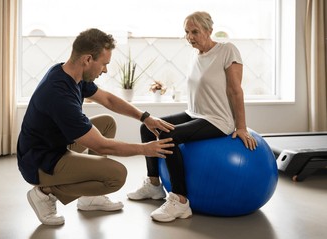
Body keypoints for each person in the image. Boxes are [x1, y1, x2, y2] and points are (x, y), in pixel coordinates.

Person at [17, 28, 175, 226]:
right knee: (116, 176)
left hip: (53, 144)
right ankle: (45, 193)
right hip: (39, 161)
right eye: (104, 64)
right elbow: (102, 146)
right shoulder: (59, 95)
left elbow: (108, 99)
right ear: (87, 59)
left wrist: (145, 117)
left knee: (106, 122)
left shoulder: (72, 74)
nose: (106, 70)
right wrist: (145, 149)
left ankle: (89, 198)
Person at [127, 11, 258, 223]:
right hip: (194, 113)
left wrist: (241, 127)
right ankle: (153, 185)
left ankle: (180, 201)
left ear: (209, 30)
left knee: (170, 137)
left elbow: (236, 90)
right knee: (147, 127)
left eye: (195, 31)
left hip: (217, 120)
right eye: (187, 32)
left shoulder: (227, 50)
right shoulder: (195, 56)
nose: (190, 37)